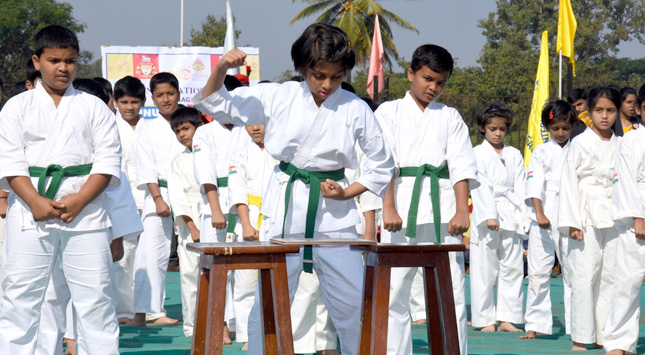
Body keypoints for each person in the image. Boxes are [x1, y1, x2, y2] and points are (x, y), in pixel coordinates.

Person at [192, 23, 394, 355]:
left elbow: (382, 162)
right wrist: (221, 68)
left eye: (336, 76)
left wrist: (349, 192)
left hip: (335, 211)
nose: (327, 84)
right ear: (302, 68)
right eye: (318, 75)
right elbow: (214, 104)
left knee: (355, 300)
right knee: (270, 300)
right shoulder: (277, 96)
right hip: (285, 203)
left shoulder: (355, 108)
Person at [0, 25, 122, 353]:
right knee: (19, 298)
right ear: (37, 61)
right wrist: (34, 201)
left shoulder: (94, 107)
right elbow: (10, 161)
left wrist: (81, 199)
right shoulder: (17, 107)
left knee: (96, 298)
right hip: (29, 212)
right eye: (54, 60)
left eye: (70, 61)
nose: (63, 68)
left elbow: (108, 162)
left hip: (86, 213)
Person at [377, 44, 478, 355]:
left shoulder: (450, 116)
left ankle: (452, 350)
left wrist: (463, 211)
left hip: (442, 208)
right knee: (395, 289)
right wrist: (388, 207)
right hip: (401, 207)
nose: (433, 87)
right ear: (411, 74)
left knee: (451, 289)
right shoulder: (389, 112)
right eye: (428, 79)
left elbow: (461, 164)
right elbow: (383, 163)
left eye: (441, 82)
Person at [558, 86, 620, 351]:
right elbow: (568, 182)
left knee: (610, 276)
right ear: (589, 112)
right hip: (585, 211)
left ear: (618, 112)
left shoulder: (622, 143)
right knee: (584, 274)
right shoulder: (579, 142)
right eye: (598, 111)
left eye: (610, 111)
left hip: (615, 212)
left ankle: (604, 334)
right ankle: (581, 336)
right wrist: (572, 221)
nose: (604, 116)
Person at [191, 77, 246, 344]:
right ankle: (220, 322)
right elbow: (206, 173)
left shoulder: (248, 128)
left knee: (245, 270)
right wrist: (215, 209)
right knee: (216, 268)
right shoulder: (205, 132)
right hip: (217, 203)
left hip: (246, 202)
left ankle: (242, 324)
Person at [128, 72, 184, 327]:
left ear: (179, 94)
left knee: (193, 252)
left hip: (189, 193)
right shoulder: (148, 128)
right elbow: (147, 166)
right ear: (152, 98)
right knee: (150, 253)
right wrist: (158, 197)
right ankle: (146, 312)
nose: (165, 99)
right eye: (160, 95)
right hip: (158, 192)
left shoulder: (190, 122)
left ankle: (199, 309)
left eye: (170, 94)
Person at [521, 100, 578, 339]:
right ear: (547, 127)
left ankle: (578, 325)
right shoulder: (541, 151)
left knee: (573, 271)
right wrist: (540, 213)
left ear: (573, 126)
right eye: (555, 128)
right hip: (543, 212)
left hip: (570, 211)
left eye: (565, 128)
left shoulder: (577, 149)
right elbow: (534, 184)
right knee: (538, 271)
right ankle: (534, 325)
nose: (561, 133)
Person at [469, 102, 526, 333]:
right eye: (492, 128)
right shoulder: (476, 153)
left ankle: (507, 317)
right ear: (483, 128)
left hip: (511, 212)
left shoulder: (514, 154)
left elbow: (520, 185)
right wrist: (489, 215)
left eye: (502, 128)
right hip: (487, 216)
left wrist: (523, 215)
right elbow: (479, 186)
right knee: (485, 268)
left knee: (512, 267)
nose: (498, 133)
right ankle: (485, 319)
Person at [227, 123, 278, 350]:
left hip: (279, 219)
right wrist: (246, 224)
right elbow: (236, 189)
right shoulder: (240, 153)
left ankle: (281, 333)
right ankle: (248, 335)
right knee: (246, 282)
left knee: (281, 281)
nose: (255, 128)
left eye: (261, 123)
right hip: (250, 218)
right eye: (250, 124)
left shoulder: (282, 150)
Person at [603, 109, 645, 355]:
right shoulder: (631, 139)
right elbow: (626, 180)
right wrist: (638, 217)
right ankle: (618, 342)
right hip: (636, 217)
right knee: (628, 282)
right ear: (640, 109)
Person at [111, 75, 147, 324]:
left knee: (147, 259)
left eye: (135, 101)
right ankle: (123, 310)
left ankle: (150, 310)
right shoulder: (110, 128)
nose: (129, 107)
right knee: (123, 259)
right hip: (122, 201)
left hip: (151, 200)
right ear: (114, 101)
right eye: (124, 101)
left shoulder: (152, 128)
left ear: (144, 102)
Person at [167, 107, 203, 337]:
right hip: (190, 223)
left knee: (225, 275)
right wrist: (192, 226)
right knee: (190, 275)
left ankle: (226, 323)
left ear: (199, 127)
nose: (182, 135)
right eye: (177, 131)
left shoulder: (213, 153)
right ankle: (192, 325)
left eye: (186, 128)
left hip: (215, 219)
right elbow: (177, 198)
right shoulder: (177, 161)